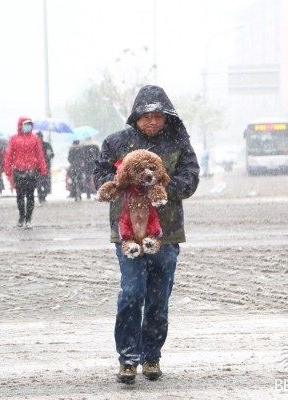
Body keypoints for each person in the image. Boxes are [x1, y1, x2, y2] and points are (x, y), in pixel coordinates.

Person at [93, 85, 200, 384]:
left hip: (166, 234)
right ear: (135, 117)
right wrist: (123, 183)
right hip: (128, 234)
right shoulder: (116, 142)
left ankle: (151, 356)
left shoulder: (179, 142)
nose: (152, 121)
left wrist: (165, 190)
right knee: (131, 294)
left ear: (167, 117)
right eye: (146, 116)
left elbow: (190, 177)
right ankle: (127, 359)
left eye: (157, 116)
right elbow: (100, 176)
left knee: (157, 298)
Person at [4, 117, 47, 228]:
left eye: (29, 124)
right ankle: (21, 216)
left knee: (30, 196)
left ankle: (28, 219)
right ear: (20, 125)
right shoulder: (14, 139)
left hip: (31, 172)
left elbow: (40, 155)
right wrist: (8, 169)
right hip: (19, 172)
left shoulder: (35, 139)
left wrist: (43, 169)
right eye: (25, 124)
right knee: (20, 196)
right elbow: (9, 155)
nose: (28, 126)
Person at [35, 131, 55, 205]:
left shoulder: (47, 145)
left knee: (46, 184)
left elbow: (52, 155)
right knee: (39, 184)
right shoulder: (34, 146)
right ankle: (40, 197)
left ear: (41, 137)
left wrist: (49, 155)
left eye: (38, 137)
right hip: (37, 168)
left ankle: (44, 195)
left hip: (46, 166)